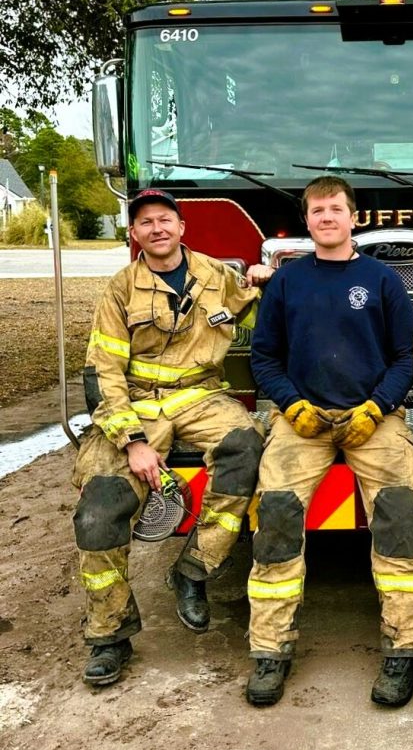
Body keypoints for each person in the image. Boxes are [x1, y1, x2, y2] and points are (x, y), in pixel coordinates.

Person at [72, 188, 272, 687]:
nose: (157, 229)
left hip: (200, 397)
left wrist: (267, 285)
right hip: (136, 404)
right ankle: (109, 635)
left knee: (245, 448)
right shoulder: (120, 290)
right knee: (98, 511)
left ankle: (193, 571)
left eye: (165, 220)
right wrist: (132, 442)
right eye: (145, 223)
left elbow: (261, 318)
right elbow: (105, 374)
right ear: (134, 234)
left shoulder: (216, 276)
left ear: (181, 227)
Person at [246, 175, 413, 708]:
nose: (327, 218)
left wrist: (377, 408)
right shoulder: (286, 283)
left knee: (397, 514)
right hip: (302, 421)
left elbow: (404, 358)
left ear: (354, 217)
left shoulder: (382, 280)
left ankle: (401, 650)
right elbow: (264, 358)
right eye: (317, 210)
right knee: (275, 514)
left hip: (373, 420)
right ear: (308, 221)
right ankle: (269, 652)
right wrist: (290, 404)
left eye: (336, 209)